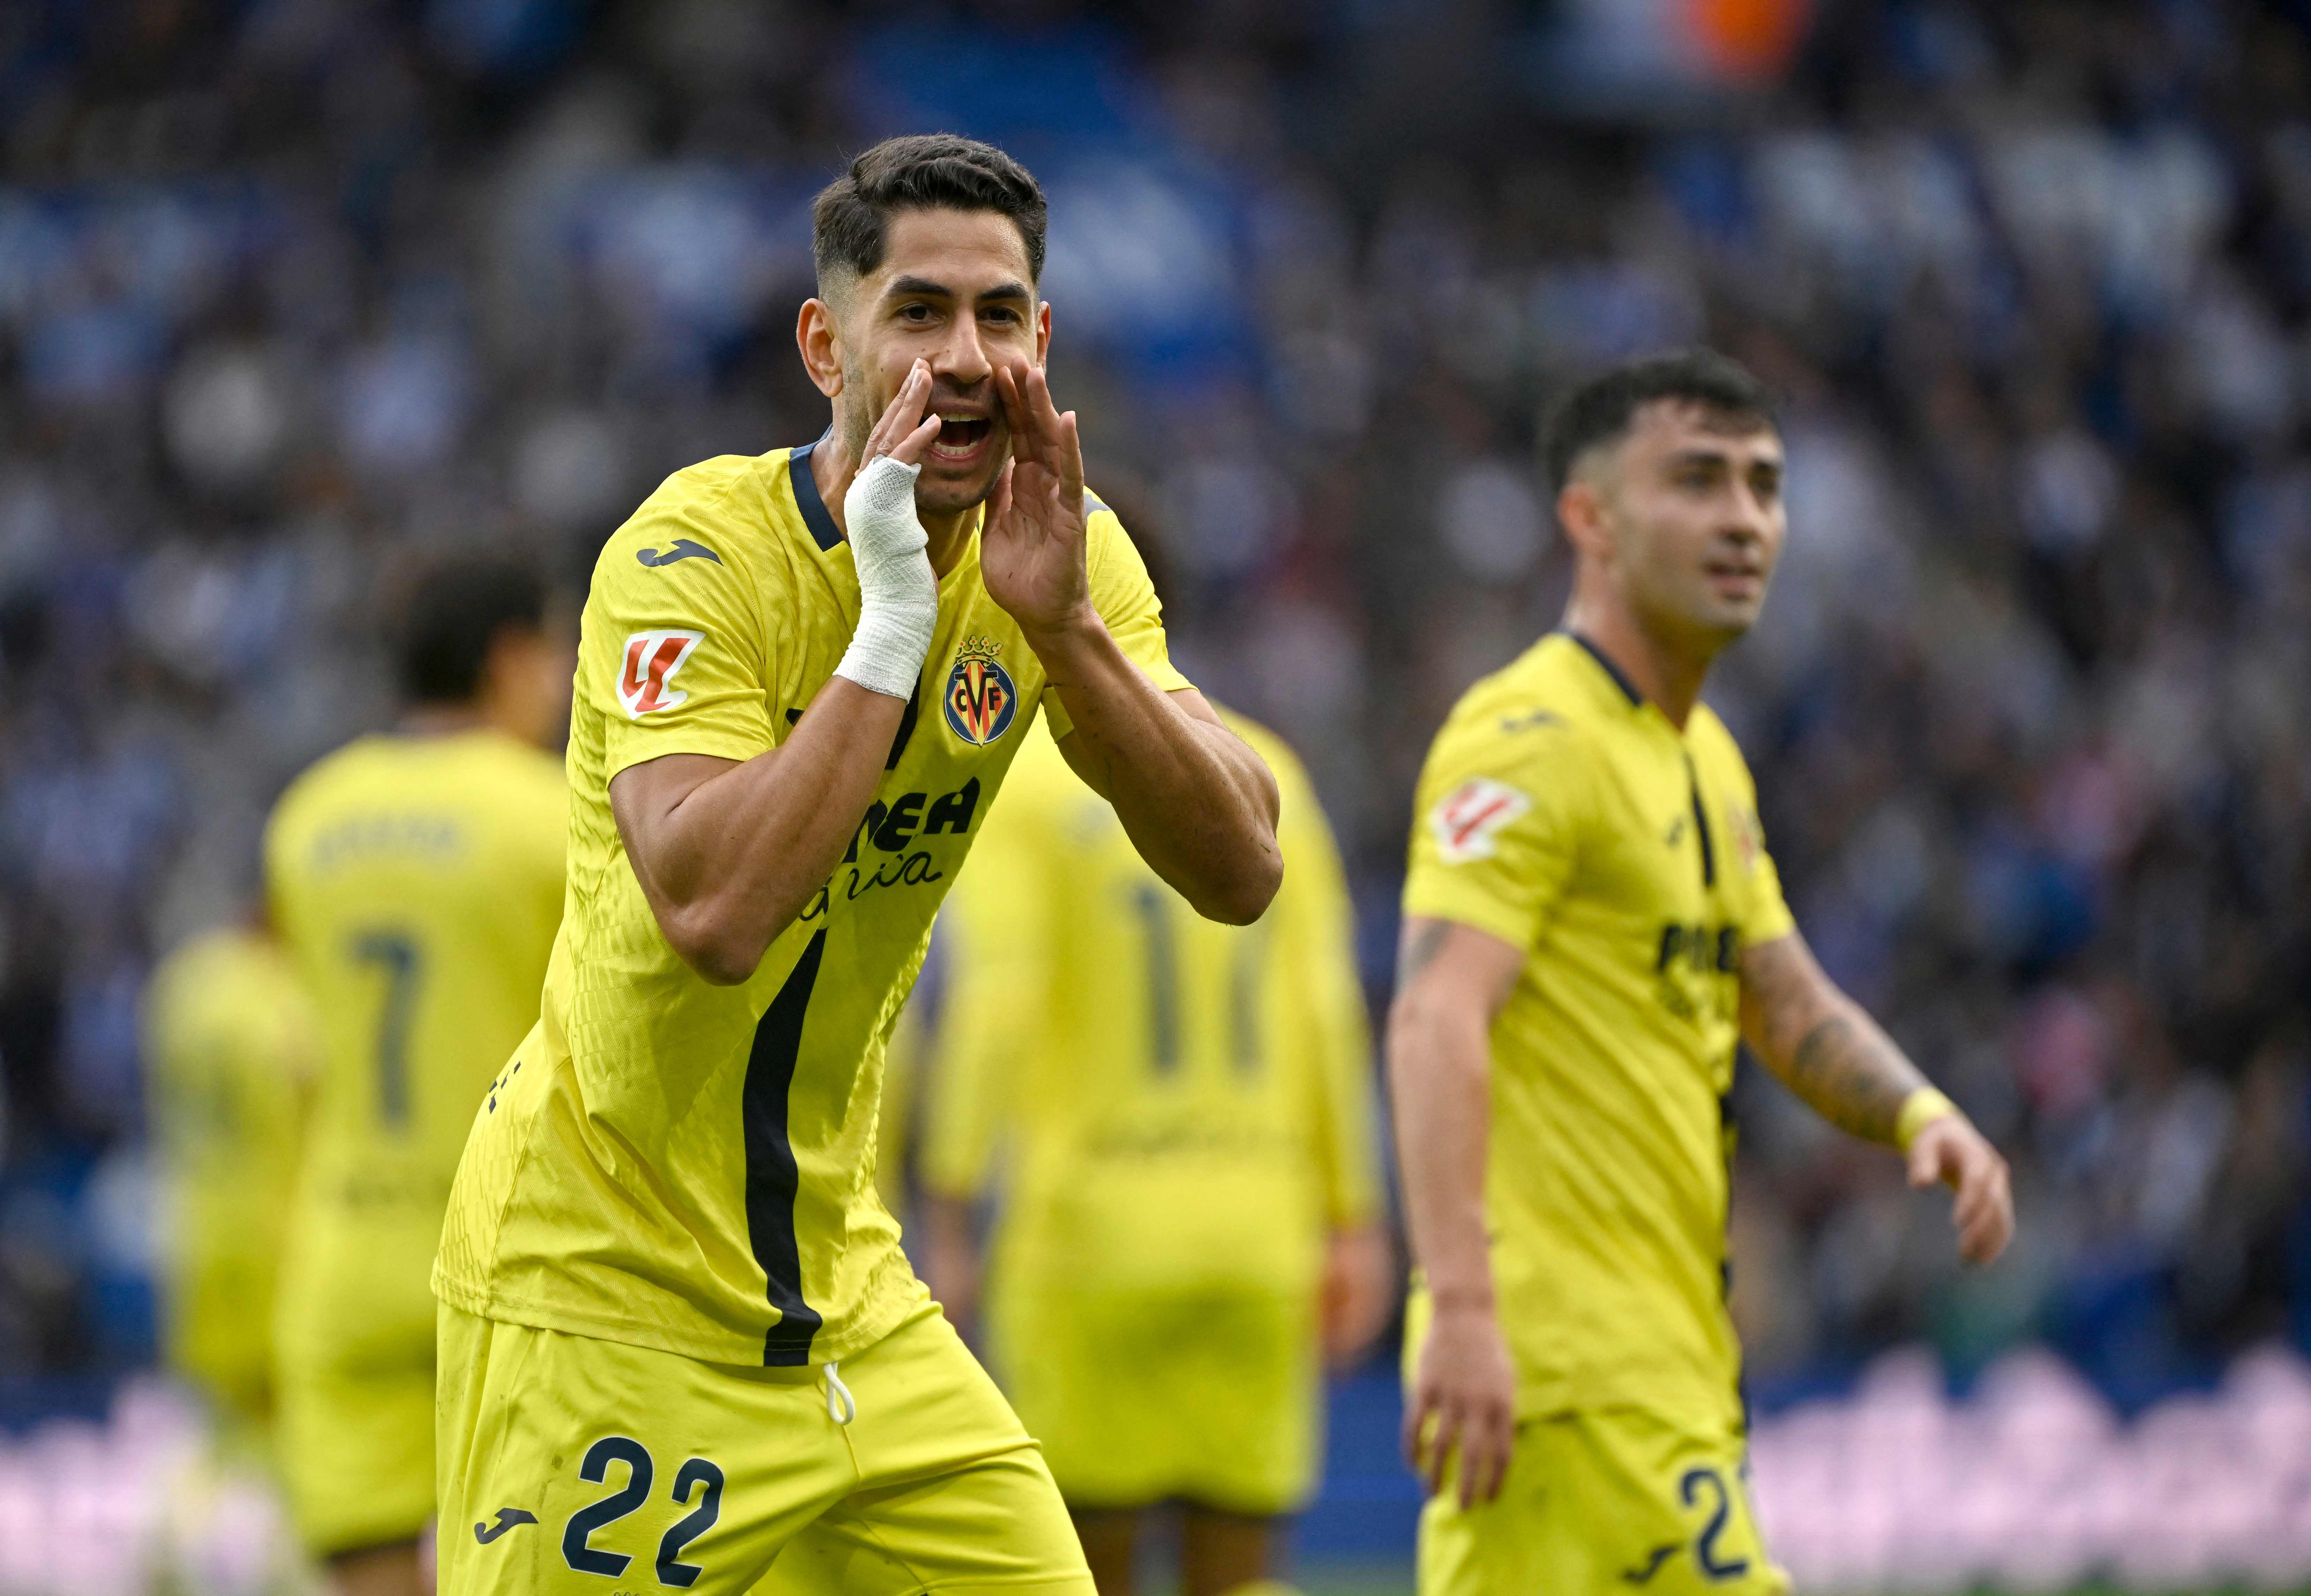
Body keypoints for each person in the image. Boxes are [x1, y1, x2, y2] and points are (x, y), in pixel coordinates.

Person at [430, 134, 1281, 1596]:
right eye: (918, 315)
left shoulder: (1060, 556)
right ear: (827, 346)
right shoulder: (692, 553)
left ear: (1042, 341)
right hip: (605, 1290)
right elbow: (708, 908)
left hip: (845, 1295)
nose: (962, 358)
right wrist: (892, 621)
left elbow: (1243, 861)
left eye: (998, 317)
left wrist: (1065, 631)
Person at [1388, 350, 2016, 1594]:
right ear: (1589, 519)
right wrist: (1459, 1304)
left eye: (1762, 485)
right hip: (1566, 1363)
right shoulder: (1528, 736)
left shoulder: (1702, 762)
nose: (1742, 518)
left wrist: (1914, 1108)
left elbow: (1777, 994)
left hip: (1661, 1358)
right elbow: (1431, 1013)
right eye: (1696, 480)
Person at [918, 539, 1392, 1594]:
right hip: (1260, 1231)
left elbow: (997, 1007)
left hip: (1089, 1239)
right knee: (1241, 1576)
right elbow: (1327, 1015)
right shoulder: (1269, 771)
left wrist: (946, 1207)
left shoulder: (1022, 782)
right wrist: (1355, 1216)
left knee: (1082, 1577)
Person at [264, 556, 570, 1596]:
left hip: (345, 1251)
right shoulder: (549, 816)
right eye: (555, 649)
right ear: (506, 657)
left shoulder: (307, 819)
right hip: (512, 1257)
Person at [144, 908, 317, 1453]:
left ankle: (192, 1534)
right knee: (284, 1435)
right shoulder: (285, 993)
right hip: (275, 1233)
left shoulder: (187, 978)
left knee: (214, 1432)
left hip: (194, 1229)